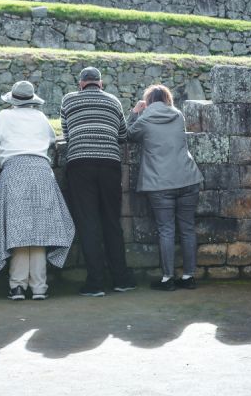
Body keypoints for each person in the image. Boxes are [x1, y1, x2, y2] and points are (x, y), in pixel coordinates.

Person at [0, 81, 75, 300]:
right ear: (32, 100)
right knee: (39, 232)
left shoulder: (5, 117)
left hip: (15, 172)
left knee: (18, 230)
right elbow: (52, 139)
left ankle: (17, 286)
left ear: (12, 99)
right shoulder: (40, 117)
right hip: (42, 173)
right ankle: (39, 287)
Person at [60, 66, 135, 297]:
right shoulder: (113, 102)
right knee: (112, 221)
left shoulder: (69, 101)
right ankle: (121, 279)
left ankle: (95, 283)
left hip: (80, 164)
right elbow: (123, 135)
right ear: (100, 84)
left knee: (88, 222)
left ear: (81, 83)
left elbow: (66, 134)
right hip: (110, 164)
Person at [126, 84, 203, 291]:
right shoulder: (178, 115)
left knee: (166, 230)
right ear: (167, 98)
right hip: (188, 178)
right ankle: (189, 277)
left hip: (160, 183)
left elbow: (128, 134)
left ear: (148, 101)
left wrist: (135, 112)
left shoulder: (145, 118)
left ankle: (167, 279)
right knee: (187, 229)